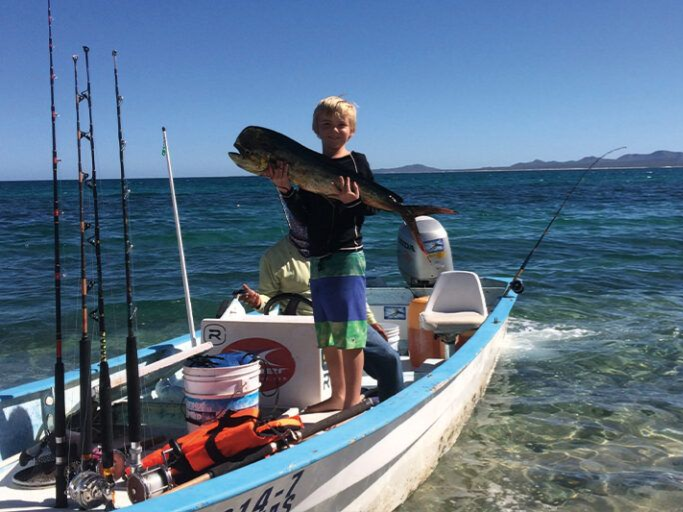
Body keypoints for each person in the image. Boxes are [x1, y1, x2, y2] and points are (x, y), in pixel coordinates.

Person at [264, 96, 376, 412]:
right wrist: (286, 188)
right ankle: (338, 396)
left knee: (351, 333)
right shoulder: (307, 166)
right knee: (328, 331)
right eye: (326, 124)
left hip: (346, 255)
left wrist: (351, 201)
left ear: (351, 130)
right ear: (316, 129)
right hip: (318, 258)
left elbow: (369, 207)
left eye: (341, 124)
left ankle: (353, 400)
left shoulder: (357, 163)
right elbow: (304, 215)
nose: (333, 129)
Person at [239, 227, 403, 403]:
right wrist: (257, 301)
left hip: (345, 317)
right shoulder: (273, 257)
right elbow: (269, 298)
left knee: (389, 359)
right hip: (306, 325)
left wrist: (371, 320)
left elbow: (352, 290)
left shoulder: (337, 248)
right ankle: (349, 399)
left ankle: (390, 406)